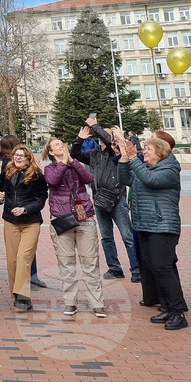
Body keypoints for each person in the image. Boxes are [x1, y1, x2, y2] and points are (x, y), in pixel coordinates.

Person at [115, 128, 189, 330]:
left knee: (163, 267)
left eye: (147, 149)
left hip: (163, 226)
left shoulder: (169, 170)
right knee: (154, 266)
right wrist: (124, 159)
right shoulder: (145, 169)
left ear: (160, 152)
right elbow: (125, 179)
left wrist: (133, 159)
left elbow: (152, 181)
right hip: (145, 225)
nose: (143, 152)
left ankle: (177, 313)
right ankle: (166, 306)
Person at [42, 138, 106, 318]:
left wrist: (72, 162)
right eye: (56, 145)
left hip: (84, 216)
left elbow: (89, 178)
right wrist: (63, 163)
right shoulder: (50, 168)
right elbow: (53, 181)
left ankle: (97, 303)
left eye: (63, 143)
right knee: (66, 262)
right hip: (62, 218)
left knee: (90, 261)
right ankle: (70, 302)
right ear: (51, 152)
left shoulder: (76, 165)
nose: (61, 145)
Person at [73, 120, 139, 282]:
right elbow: (75, 154)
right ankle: (114, 267)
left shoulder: (114, 151)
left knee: (127, 236)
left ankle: (137, 268)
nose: (106, 136)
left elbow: (110, 142)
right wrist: (79, 139)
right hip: (100, 199)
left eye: (108, 133)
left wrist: (96, 126)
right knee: (106, 236)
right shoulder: (94, 153)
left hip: (116, 197)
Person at [0, 144, 48, 312]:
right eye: (15, 155)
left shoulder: (37, 175)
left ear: (28, 159)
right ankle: (16, 294)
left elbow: (41, 200)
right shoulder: (7, 172)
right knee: (12, 260)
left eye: (21, 156)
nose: (17, 158)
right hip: (10, 221)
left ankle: (24, 295)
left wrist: (25, 209)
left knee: (24, 257)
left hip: (30, 222)